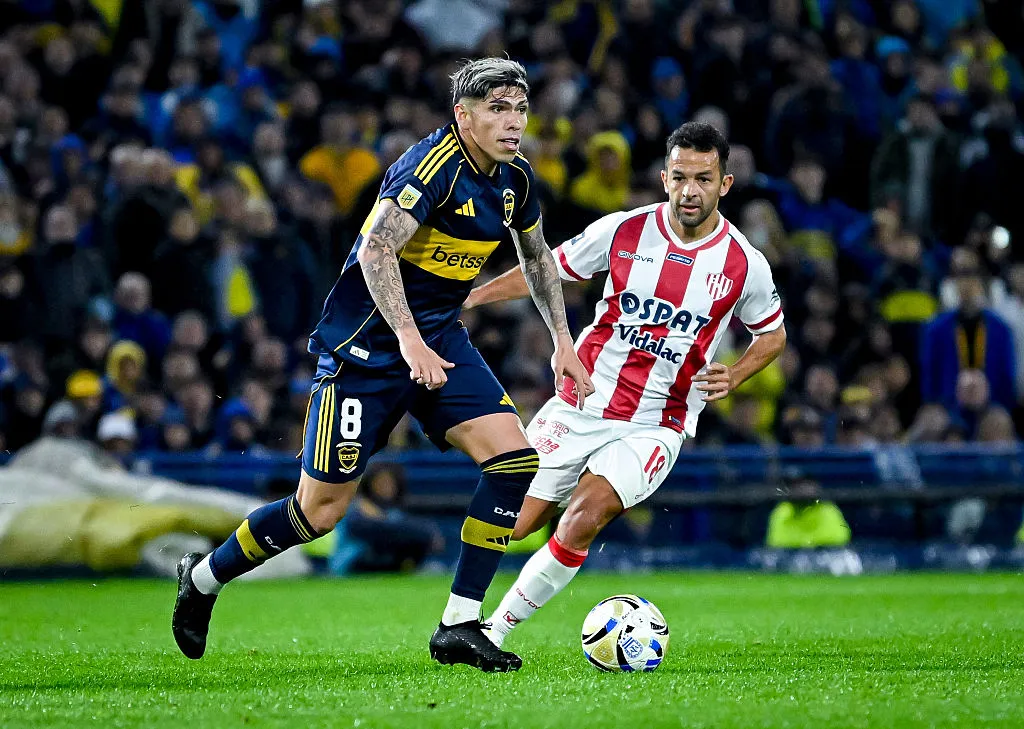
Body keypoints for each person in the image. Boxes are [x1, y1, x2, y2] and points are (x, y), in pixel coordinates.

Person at [171, 58, 594, 673]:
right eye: (498, 109)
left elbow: (537, 260)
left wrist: (562, 339)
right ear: (463, 116)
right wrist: (408, 339)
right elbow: (376, 249)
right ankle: (203, 579)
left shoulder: (516, 180)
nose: (513, 122)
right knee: (318, 512)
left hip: (440, 340)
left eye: (521, 108)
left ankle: (459, 625)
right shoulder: (433, 168)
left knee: (513, 463)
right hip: (365, 352)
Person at [463, 122, 787, 647]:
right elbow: (547, 269)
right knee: (515, 524)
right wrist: (473, 297)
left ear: (724, 184)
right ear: (664, 178)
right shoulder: (622, 230)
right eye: (680, 177)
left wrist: (737, 372)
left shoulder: (744, 264)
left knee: (584, 516)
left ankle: (492, 634)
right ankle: (463, 612)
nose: (690, 190)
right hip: (583, 403)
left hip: (658, 421)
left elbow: (771, 336)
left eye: (703, 179)